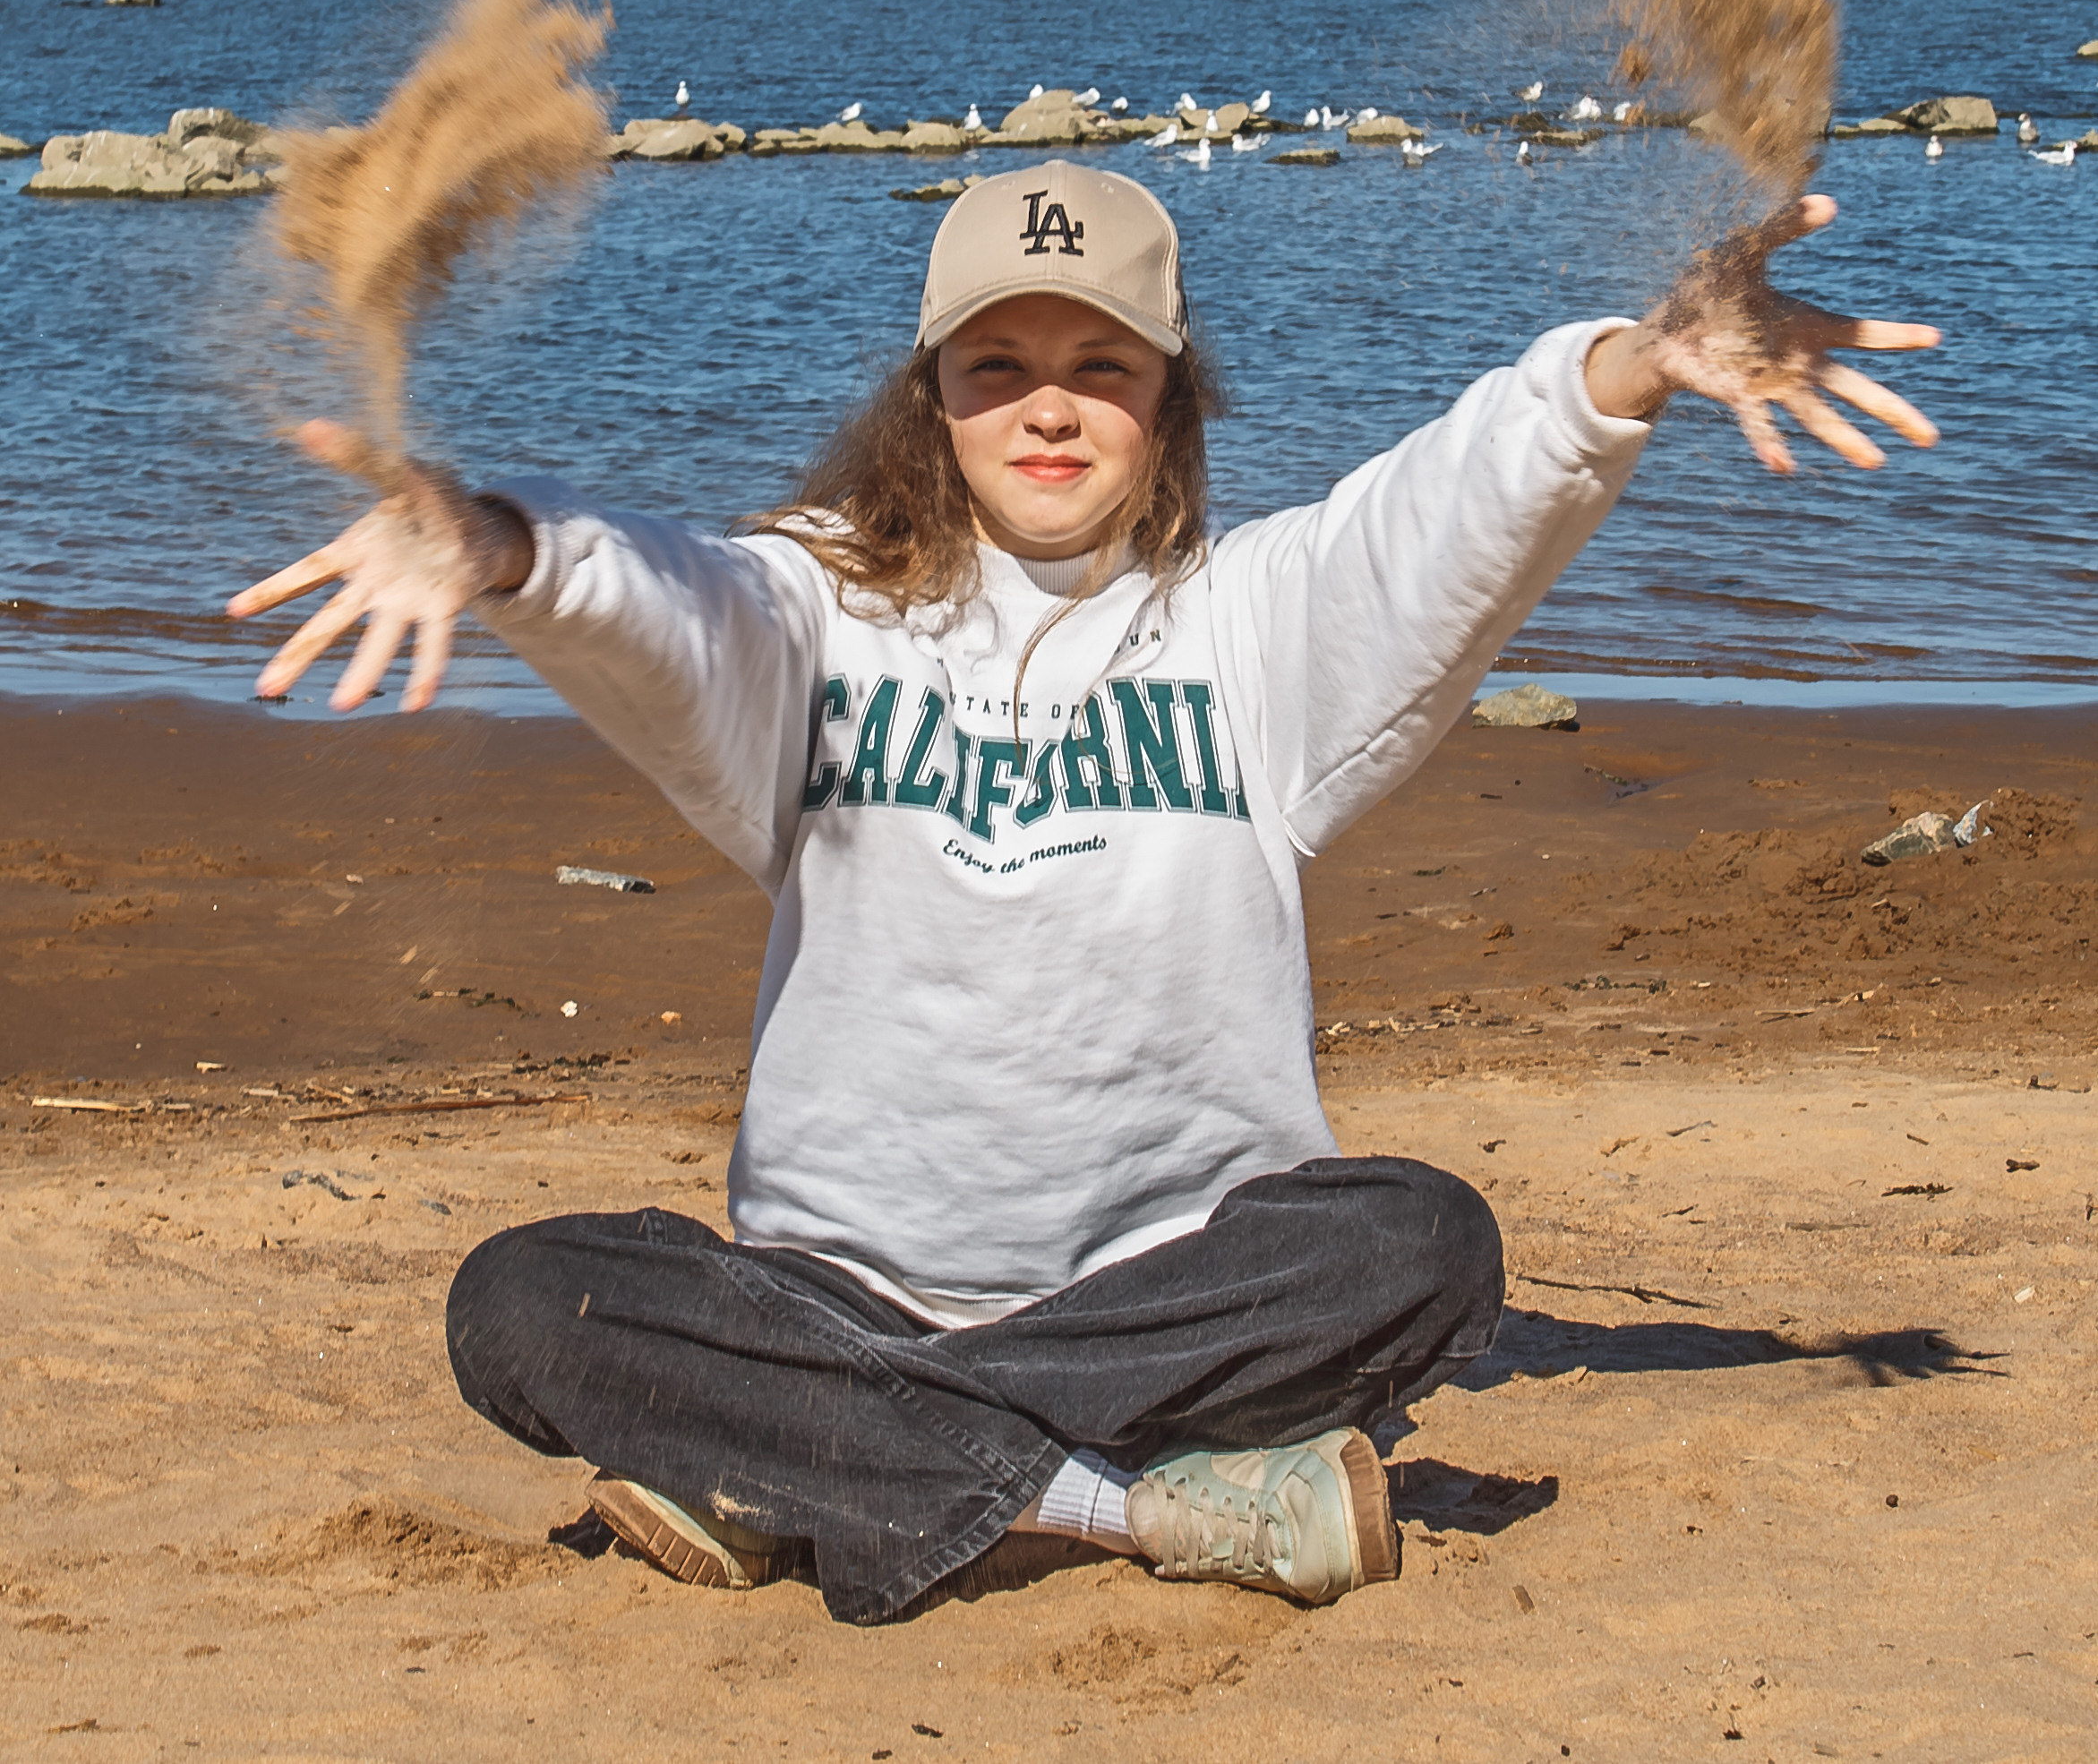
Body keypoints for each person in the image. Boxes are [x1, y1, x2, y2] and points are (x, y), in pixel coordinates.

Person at [228, 162, 1937, 1625]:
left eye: (1099, 364)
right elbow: (674, 606)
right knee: (522, 1302)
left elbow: (1445, 513)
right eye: (1000, 364)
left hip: (1175, 1292)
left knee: (1426, 1245)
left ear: (1169, 395)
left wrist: (1633, 364)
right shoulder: (816, 613)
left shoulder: (1257, 627)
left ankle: (795, 1468)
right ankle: (1136, 1506)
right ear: (936, 396)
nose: (1049, 405)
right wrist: (507, 545)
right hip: (837, 1289)